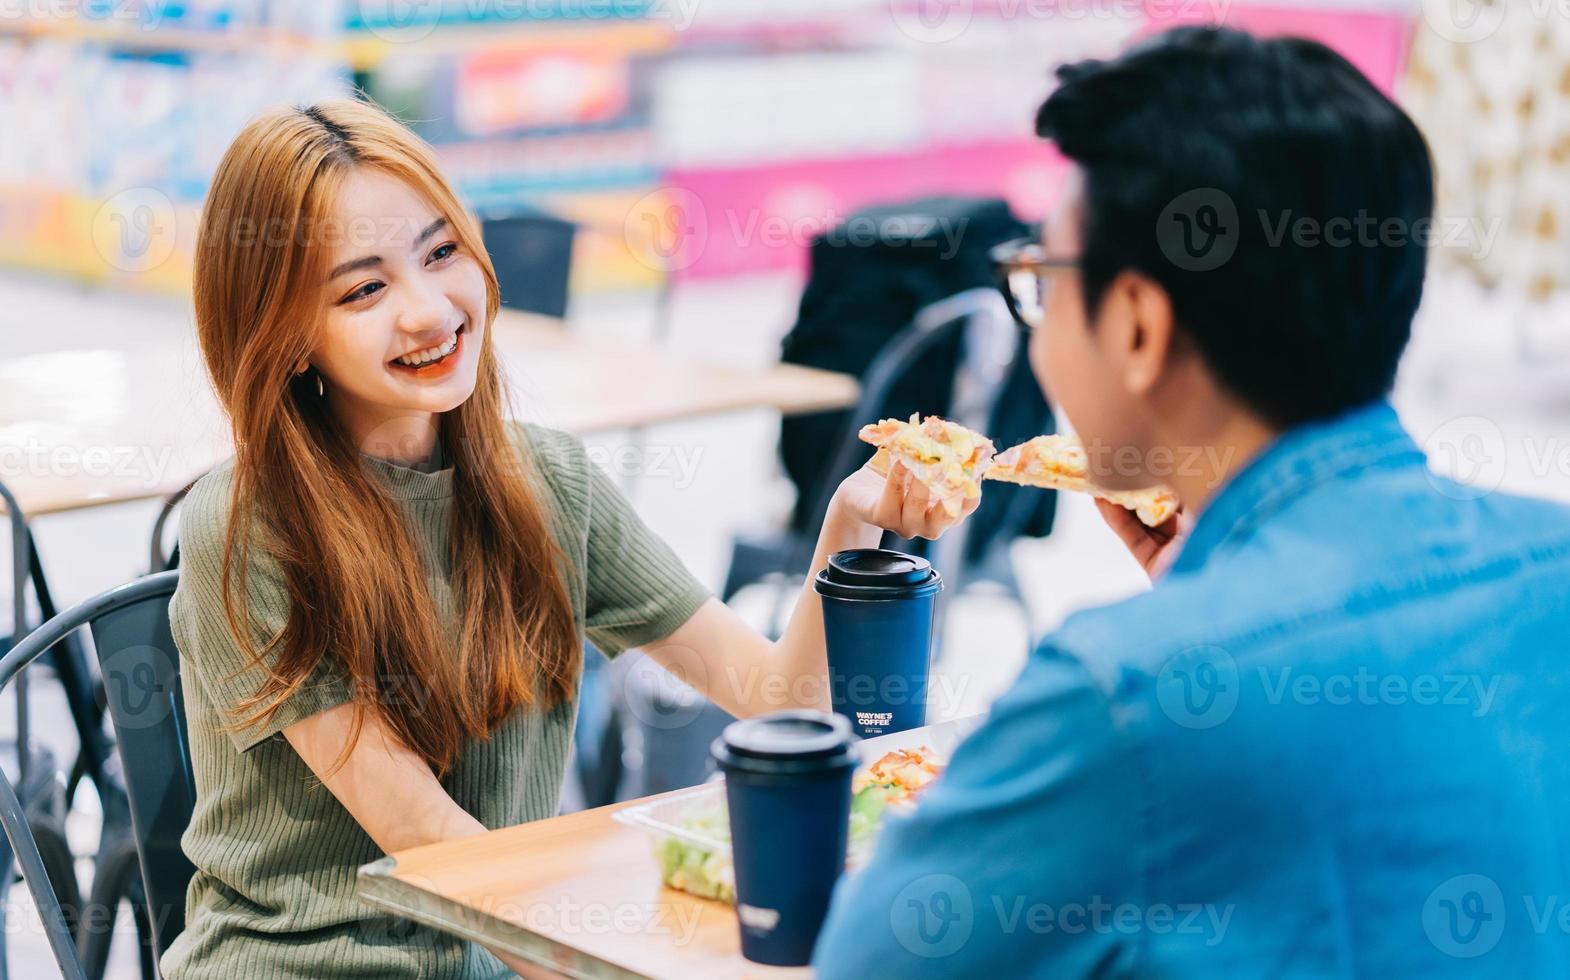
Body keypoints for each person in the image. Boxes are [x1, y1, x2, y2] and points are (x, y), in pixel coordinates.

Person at [814, 26, 1570, 976]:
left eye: (1044, 284)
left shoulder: (1117, 694)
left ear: (1137, 325)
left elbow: (867, 964)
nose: (1042, 343)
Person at [165, 99, 975, 979]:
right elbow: (441, 849)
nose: (428, 309)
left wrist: (852, 524)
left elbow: (787, 702)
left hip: (499, 947)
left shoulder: (547, 482)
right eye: (364, 289)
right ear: (284, 336)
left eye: (442, 253)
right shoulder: (247, 528)